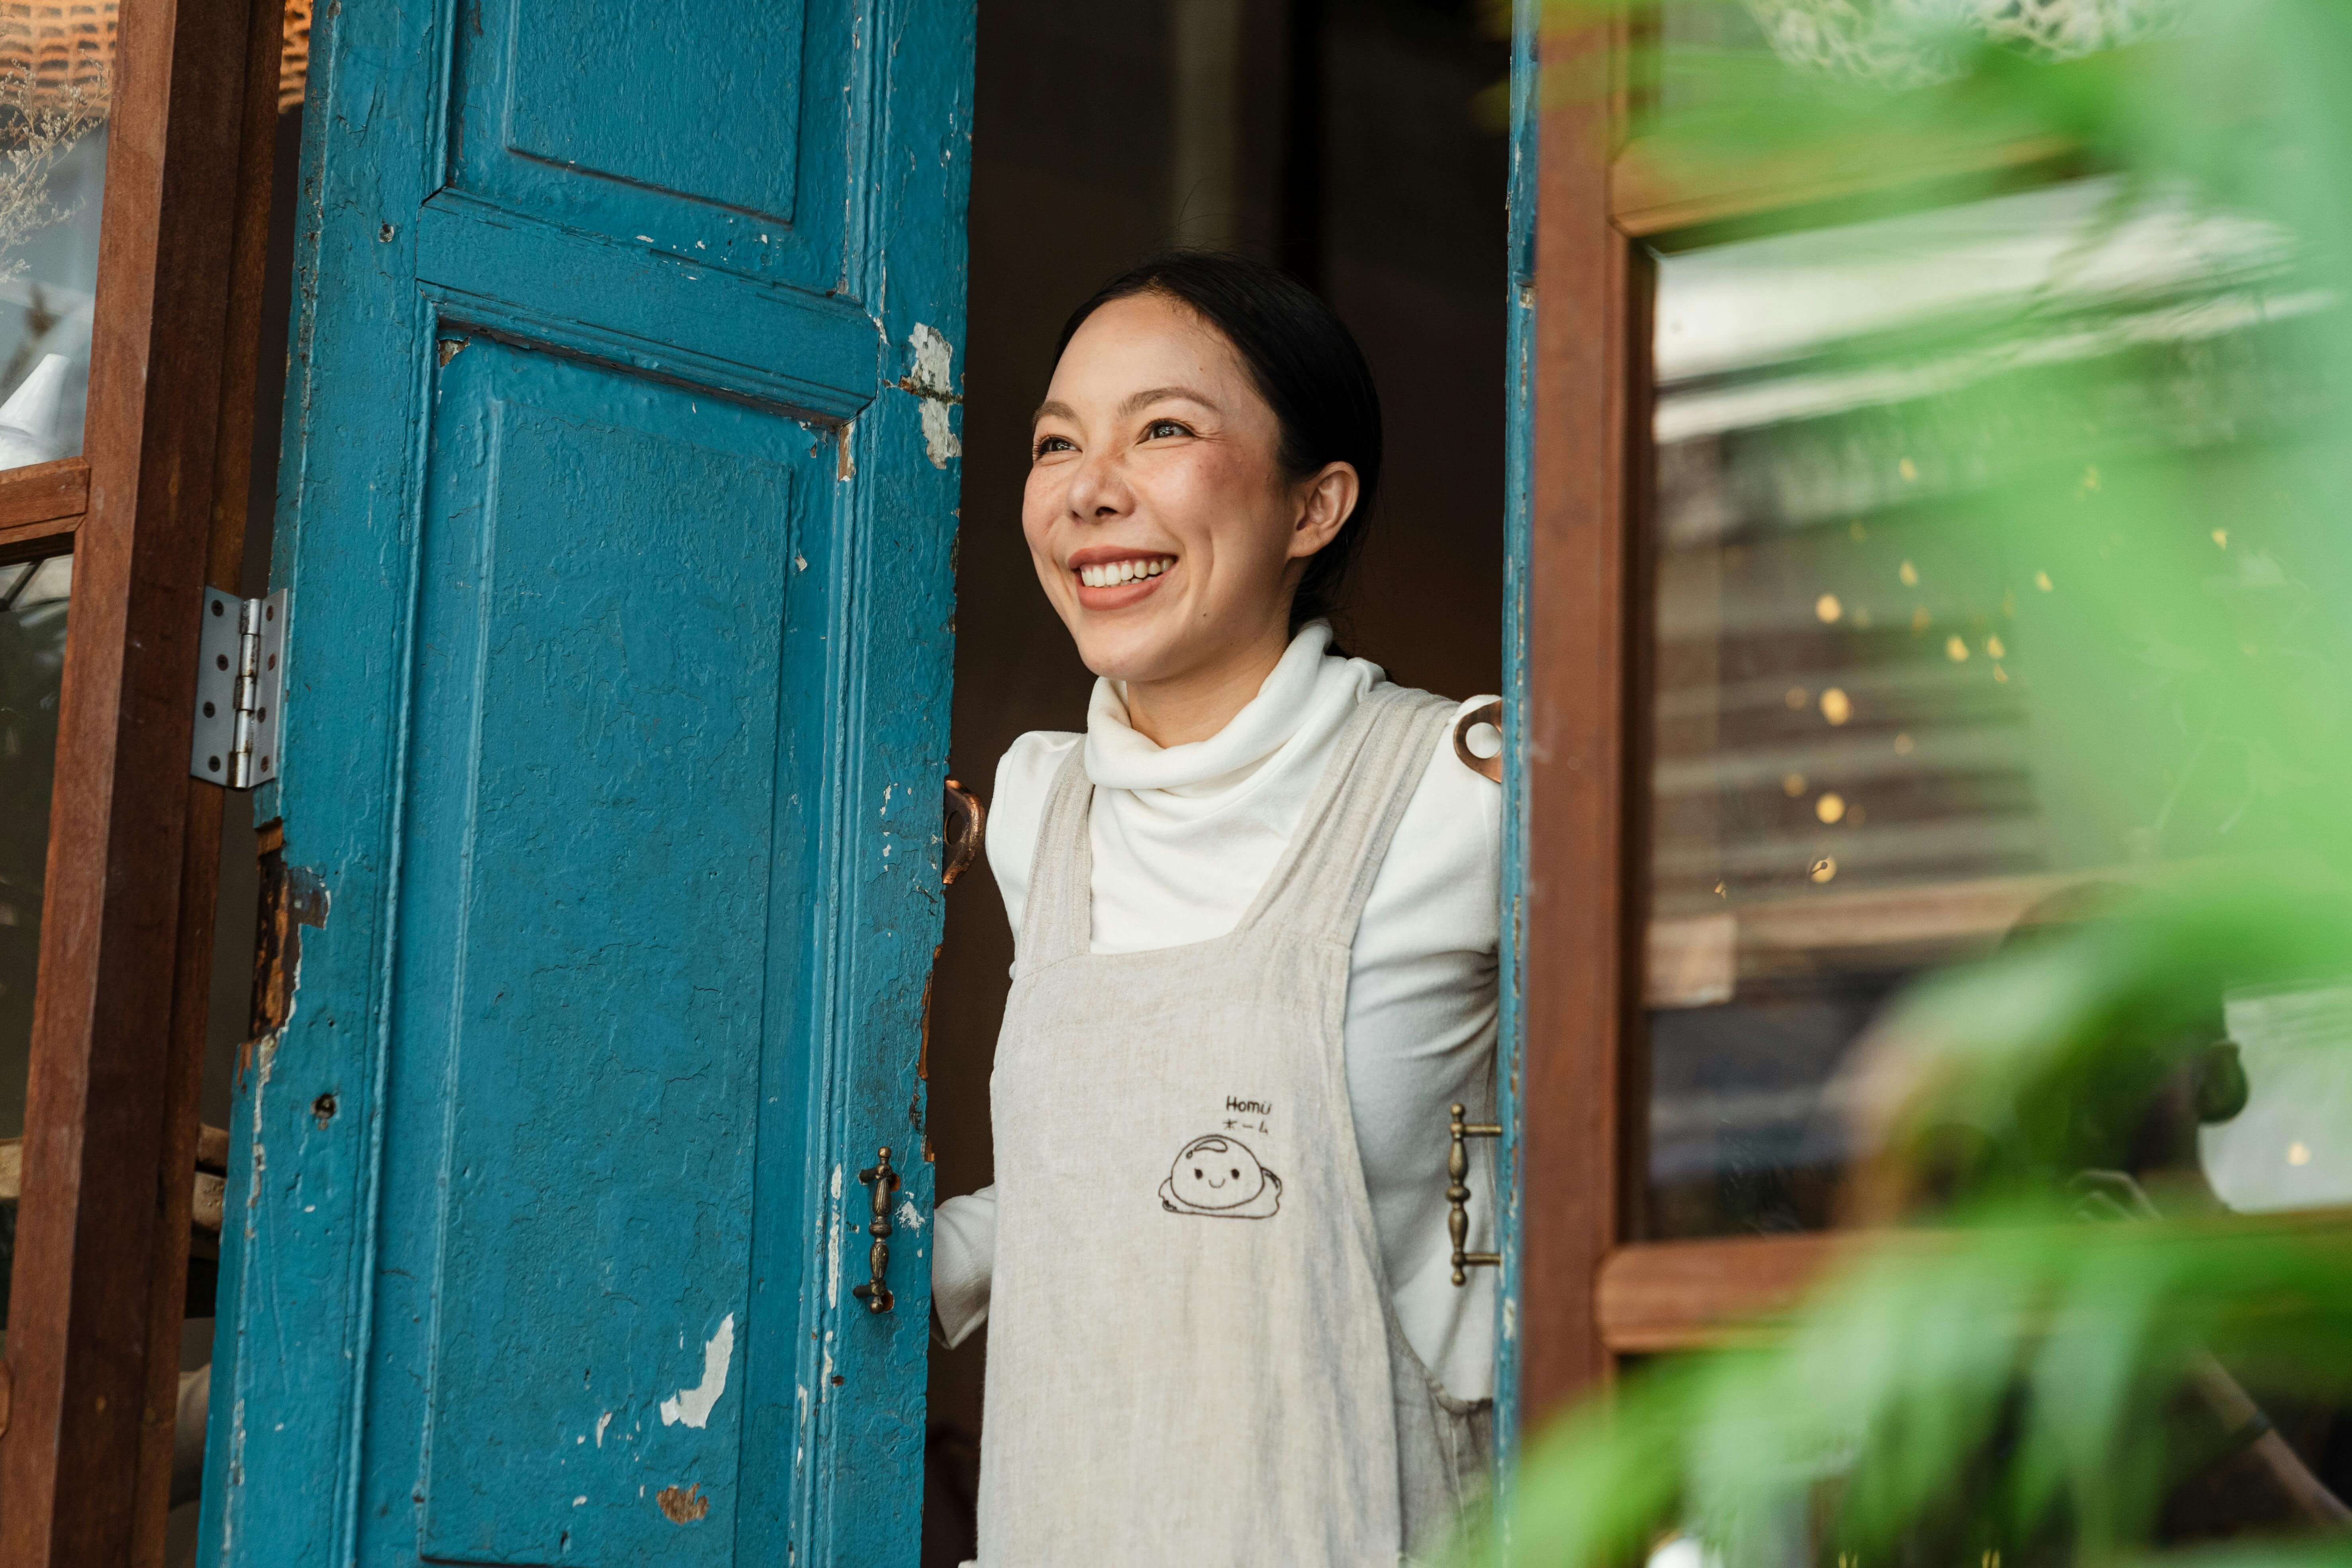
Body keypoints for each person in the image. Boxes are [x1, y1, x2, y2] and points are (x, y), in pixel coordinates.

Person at [930, 250, 1502, 1565]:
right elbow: (1138, 1170)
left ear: (1316, 506)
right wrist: (876, 1255)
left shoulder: (1458, 790)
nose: (1089, 490)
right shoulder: (1033, 807)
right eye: (1056, 442)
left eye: (1164, 430)